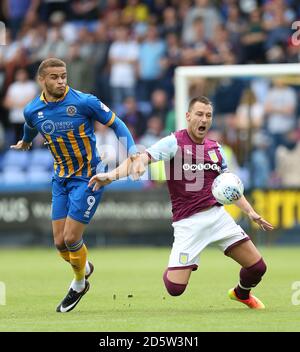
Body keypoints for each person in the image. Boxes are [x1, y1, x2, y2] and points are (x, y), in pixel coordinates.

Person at [89, 96, 274, 309]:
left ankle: (241, 294)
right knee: (175, 289)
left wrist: (250, 212)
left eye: (208, 115)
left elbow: (230, 187)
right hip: (188, 224)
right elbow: (139, 159)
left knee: (258, 268)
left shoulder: (216, 149)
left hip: (217, 218)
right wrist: (110, 176)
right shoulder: (173, 142)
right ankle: (180, 261)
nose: (204, 119)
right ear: (188, 116)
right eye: (199, 114)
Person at [10, 58, 144, 313]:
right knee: (59, 243)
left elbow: (117, 124)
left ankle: (79, 283)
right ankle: (84, 267)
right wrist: (26, 143)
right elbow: (29, 127)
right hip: (60, 179)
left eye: (63, 76)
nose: (61, 81)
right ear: (42, 80)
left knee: (72, 238)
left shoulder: (84, 101)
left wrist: (133, 153)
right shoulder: (32, 110)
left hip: (89, 177)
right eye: (55, 77)